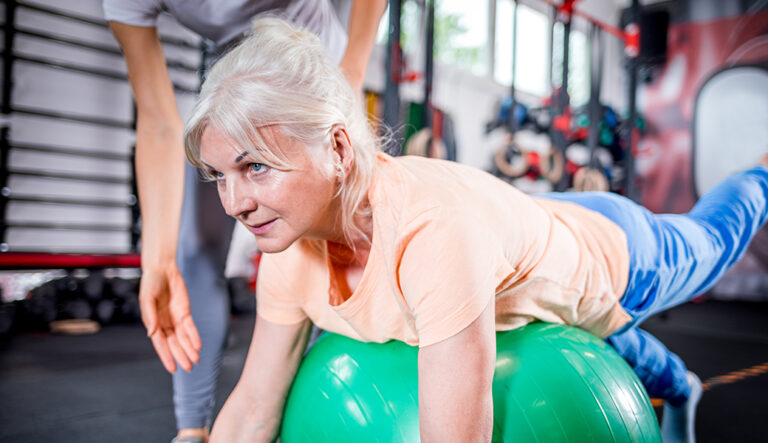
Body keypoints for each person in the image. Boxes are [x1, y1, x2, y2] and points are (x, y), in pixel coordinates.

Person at [184, 18, 768, 443]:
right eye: (219, 176)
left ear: (338, 147)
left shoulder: (429, 232)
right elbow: (255, 406)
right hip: (525, 238)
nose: (234, 202)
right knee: (563, 317)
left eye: (255, 166)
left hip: (618, 257)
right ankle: (683, 387)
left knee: (716, 234)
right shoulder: (288, 240)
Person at [103, 2, 386, 442]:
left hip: (313, 69)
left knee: (322, 249)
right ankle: (191, 430)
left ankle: (310, 414)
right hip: (234, 72)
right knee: (190, 251)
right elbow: (159, 123)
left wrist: (350, 74)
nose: (235, 206)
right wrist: (157, 261)